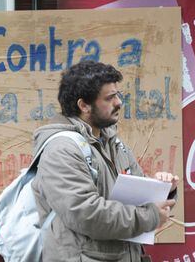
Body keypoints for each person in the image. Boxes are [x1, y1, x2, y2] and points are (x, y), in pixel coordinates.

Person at [31, 61, 179, 262]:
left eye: (118, 95)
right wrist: (150, 216)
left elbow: (139, 196)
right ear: (84, 105)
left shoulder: (113, 143)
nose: (118, 102)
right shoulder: (61, 150)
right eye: (110, 98)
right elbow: (85, 214)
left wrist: (164, 189)